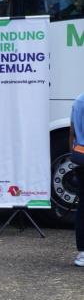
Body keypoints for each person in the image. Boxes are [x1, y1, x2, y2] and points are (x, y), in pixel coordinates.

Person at [69, 92, 84, 267]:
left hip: (80, 157)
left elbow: (72, 131)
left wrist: (72, 157)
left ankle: (82, 253)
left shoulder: (79, 99)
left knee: (83, 207)